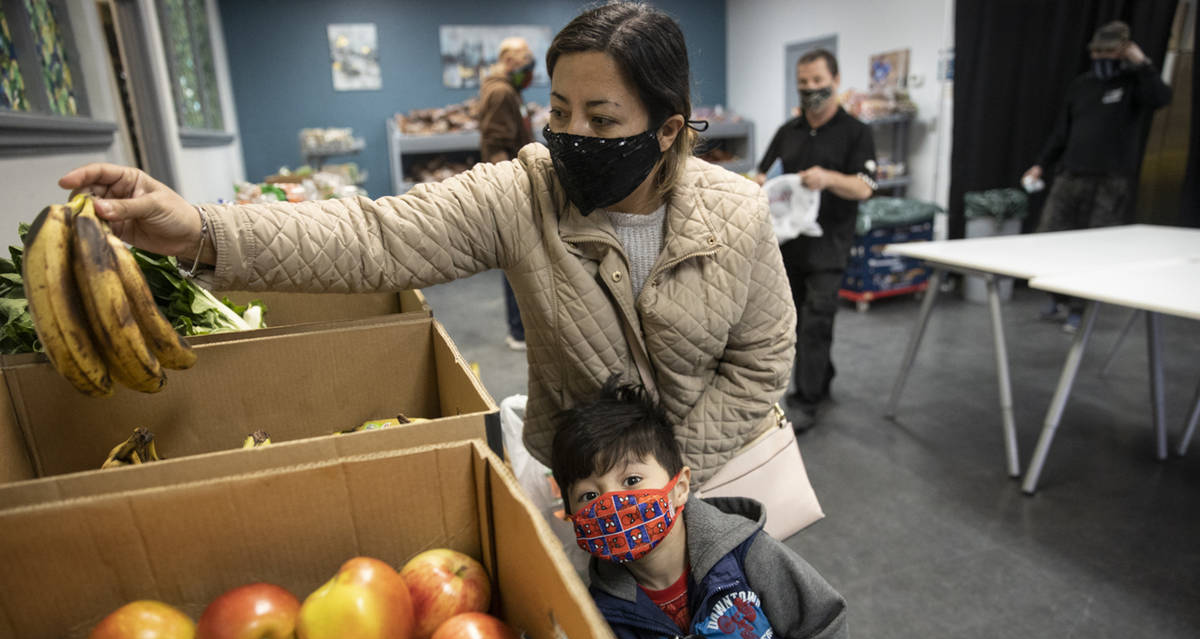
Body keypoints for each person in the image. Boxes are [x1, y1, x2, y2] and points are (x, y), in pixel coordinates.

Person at [58, 2, 795, 488]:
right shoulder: (523, 193)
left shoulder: (737, 213)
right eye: (560, 112)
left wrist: (674, 473)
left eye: (602, 122)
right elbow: (373, 237)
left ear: (667, 130)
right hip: (578, 485)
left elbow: (762, 358)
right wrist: (201, 228)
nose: (573, 137)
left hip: (712, 479)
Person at [550, 378, 871, 639]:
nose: (613, 504)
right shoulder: (601, 612)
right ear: (572, 516)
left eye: (631, 481)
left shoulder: (747, 553)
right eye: (589, 494)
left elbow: (821, 625)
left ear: (680, 486)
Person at [754, 49, 876, 433]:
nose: (811, 90)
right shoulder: (787, 132)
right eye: (803, 84)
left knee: (817, 319)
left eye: (818, 83)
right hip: (788, 243)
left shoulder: (857, 133)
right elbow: (762, 172)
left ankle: (805, 402)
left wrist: (829, 178)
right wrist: (757, 184)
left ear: (836, 81)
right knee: (793, 321)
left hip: (830, 244)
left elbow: (865, 187)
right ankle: (819, 374)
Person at [1022, 20, 1171, 333]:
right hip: (1071, 175)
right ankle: (1056, 298)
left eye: (1110, 51)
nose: (1102, 57)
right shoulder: (1082, 85)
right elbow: (1062, 130)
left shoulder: (1135, 84)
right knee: (1049, 236)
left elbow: (1161, 98)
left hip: (1110, 179)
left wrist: (1141, 63)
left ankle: (1080, 308)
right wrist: (1040, 164)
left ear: (1123, 52)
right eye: (1097, 51)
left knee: (1095, 247)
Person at [477, 36, 536, 351]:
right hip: (512, 187)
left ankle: (521, 328)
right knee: (516, 257)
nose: (529, 65)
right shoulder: (501, 92)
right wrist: (514, 186)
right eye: (525, 59)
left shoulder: (510, 90)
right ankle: (518, 331)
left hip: (514, 181)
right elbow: (497, 144)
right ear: (509, 61)